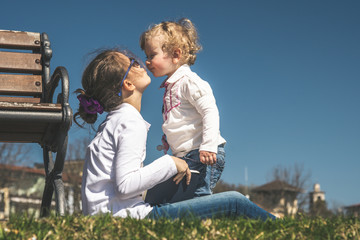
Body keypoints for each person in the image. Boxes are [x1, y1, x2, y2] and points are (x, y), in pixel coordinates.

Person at [75, 48, 275, 221]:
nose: (142, 63)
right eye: (134, 63)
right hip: (128, 219)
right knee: (235, 203)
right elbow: (125, 185)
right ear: (128, 84)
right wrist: (172, 163)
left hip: (112, 217)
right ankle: (290, 231)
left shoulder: (112, 122)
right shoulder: (129, 121)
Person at [140, 18, 226, 197]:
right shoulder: (171, 86)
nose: (147, 61)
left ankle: (212, 219)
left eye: (152, 55)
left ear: (176, 55)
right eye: (146, 56)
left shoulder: (189, 81)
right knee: (184, 198)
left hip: (202, 153)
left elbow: (209, 111)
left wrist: (209, 145)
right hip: (186, 155)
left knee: (199, 195)